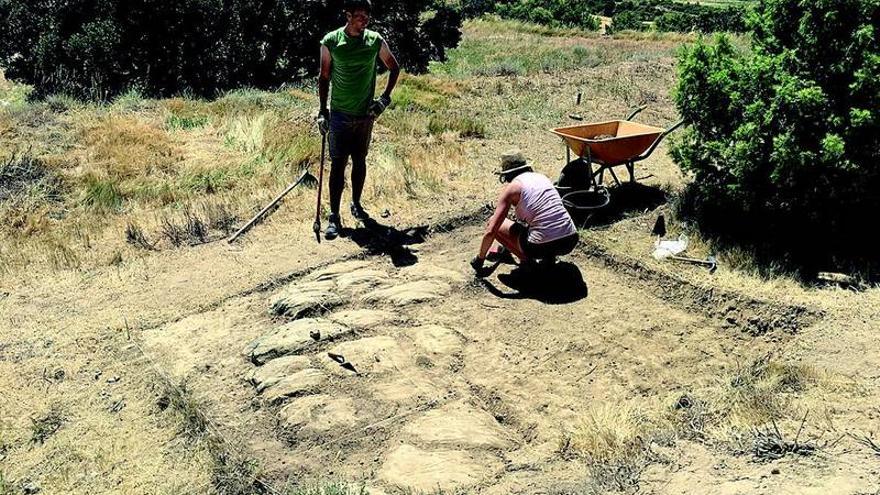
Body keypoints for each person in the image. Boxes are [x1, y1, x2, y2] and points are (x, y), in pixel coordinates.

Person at [317, 0, 400, 240]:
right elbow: (323, 77)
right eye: (360, 16)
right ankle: (334, 215)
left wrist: (384, 99)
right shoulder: (331, 41)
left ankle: (356, 204)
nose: (365, 21)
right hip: (340, 113)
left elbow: (394, 67)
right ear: (348, 15)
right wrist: (323, 111)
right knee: (338, 164)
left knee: (360, 160)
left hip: (365, 114)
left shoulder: (375, 41)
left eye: (367, 17)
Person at [471, 150, 579, 278]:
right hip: (570, 239)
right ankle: (549, 259)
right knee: (541, 225)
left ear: (506, 175)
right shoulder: (542, 177)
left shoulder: (512, 189)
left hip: (541, 247)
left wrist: (480, 259)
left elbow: (491, 230)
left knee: (493, 222)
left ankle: (529, 263)